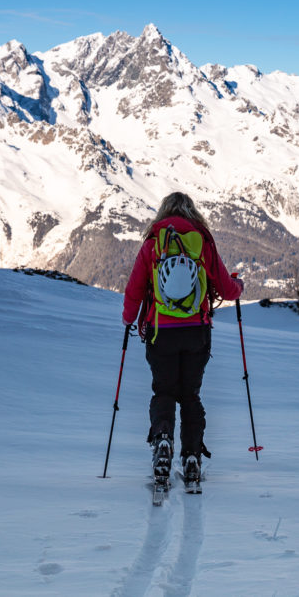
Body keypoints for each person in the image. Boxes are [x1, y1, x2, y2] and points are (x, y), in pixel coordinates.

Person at [122, 192, 243, 490]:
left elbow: (135, 289)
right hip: (196, 332)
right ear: (193, 212)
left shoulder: (153, 243)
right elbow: (227, 290)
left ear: (163, 212)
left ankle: (163, 442)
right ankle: (192, 459)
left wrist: (128, 319)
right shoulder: (201, 241)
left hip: (160, 332)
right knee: (190, 395)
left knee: (163, 391)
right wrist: (239, 285)